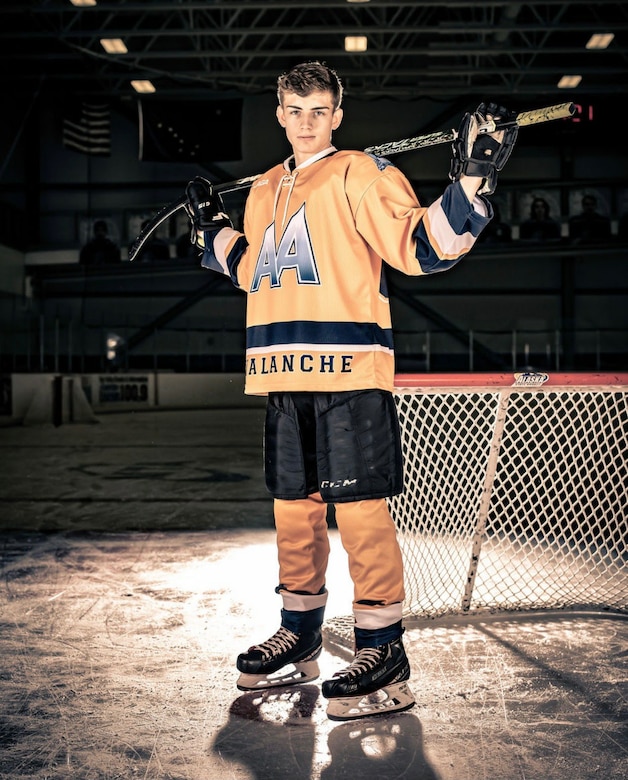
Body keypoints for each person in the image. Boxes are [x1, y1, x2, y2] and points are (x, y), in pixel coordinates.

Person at [183, 61, 518, 721]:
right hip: (282, 376)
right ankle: (301, 633)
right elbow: (259, 271)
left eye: (318, 111)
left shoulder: (363, 173)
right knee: (294, 514)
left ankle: (382, 651)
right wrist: (212, 227)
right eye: (294, 110)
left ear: (336, 115)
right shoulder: (262, 191)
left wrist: (472, 179)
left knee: (361, 516)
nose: (306, 122)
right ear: (279, 115)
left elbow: (424, 247)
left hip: (349, 374)